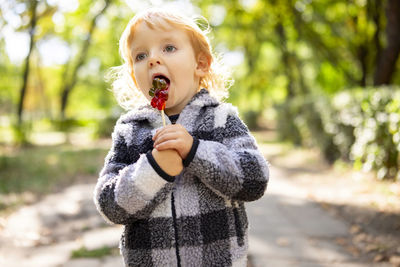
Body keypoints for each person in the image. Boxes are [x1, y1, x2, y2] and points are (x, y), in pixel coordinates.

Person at [93, 7, 269, 267]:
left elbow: (254, 178)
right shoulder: (131, 130)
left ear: (200, 64)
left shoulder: (221, 119)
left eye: (169, 48)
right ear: (134, 77)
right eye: (141, 55)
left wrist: (196, 151)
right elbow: (110, 205)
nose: (153, 59)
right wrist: (153, 170)